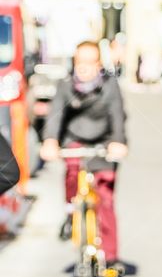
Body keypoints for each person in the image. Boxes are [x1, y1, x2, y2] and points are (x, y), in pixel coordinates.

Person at [41, 40, 128, 265]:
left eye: (90, 62)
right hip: (75, 140)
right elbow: (55, 115)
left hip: (103, 142)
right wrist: (50, 141)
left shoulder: (110, 85)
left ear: (99, 64)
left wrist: (118, 142)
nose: (85, 67)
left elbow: (117, 115)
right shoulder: (65, 85)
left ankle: (110, 255)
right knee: (72, 174)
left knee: (105, 198)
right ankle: (71, 213)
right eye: (80, 62)